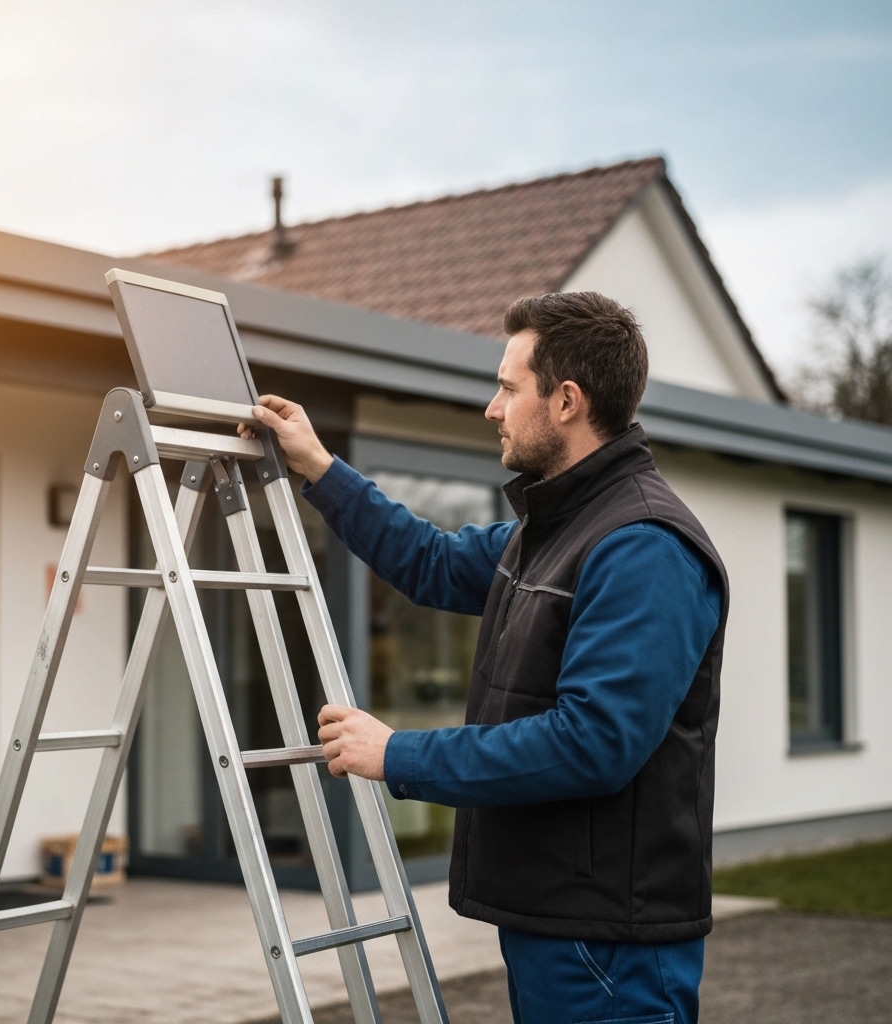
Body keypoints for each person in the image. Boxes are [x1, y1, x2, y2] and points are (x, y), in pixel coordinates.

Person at [240, 291, 728, 1024]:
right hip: (557, 921)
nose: (491, 407)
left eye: (507, 387)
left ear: (566, 401)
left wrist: (398, 754)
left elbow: (593, 744)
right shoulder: (554, 530)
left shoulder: (642, 546)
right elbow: (432, 561)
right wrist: (320, 467)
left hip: (607, 943)